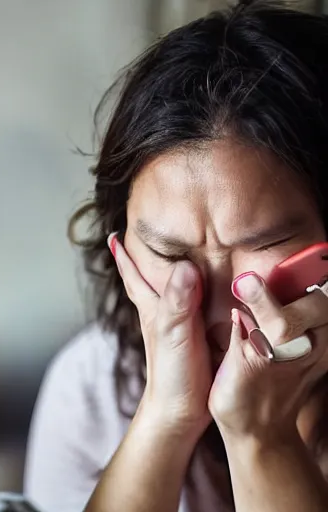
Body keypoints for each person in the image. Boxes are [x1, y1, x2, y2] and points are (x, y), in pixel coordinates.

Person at [23, 1, 328, 511]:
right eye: (168, 253)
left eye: (264, 247)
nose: (211, 313)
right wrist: (166, 416)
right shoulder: (93, 389)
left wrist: (260, 435)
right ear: (119, 248)